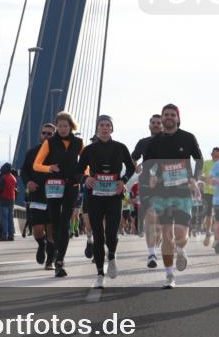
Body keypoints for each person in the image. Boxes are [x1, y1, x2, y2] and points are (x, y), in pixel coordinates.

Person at [142, 104, 203, 288]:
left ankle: (182, 249)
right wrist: (151, 176)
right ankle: (169, 275)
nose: (168, 117)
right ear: (162, 119)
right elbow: (147, 166)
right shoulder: (154, 142)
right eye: (165, 115)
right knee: (167, 235)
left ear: (177, 118)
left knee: (180, 235)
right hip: (161, 193)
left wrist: (194, 178)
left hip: (183, 192)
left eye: (172, 115)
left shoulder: (188, 137)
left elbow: (198, 160)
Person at [78, 115, 136, 288]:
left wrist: (123, 180)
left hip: (113, 197)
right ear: (97, 129)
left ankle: (111, 255)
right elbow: (77, 170)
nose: (104, 128)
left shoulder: (120, 147)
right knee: (98, 235)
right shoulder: (89, 150)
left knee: (111, 233)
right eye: (101, 125)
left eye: (107, 125)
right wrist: (85, 178)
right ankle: (99, 274)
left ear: (112, 129)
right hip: (94, 197)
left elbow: (131, 167)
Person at [33, 111, 84, 278]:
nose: (62, 129)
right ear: (57, 127)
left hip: (71, 185)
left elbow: (87, 163)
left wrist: (83, 174)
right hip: (54, 185)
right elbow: (36, 165)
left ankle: (60, 261)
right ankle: (55, 253)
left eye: (65, 126)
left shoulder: (78, 142)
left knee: (64, 223)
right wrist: (49, 168)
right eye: (60, 126)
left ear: (71, 126)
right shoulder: (49, 143)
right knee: (55, 223)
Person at [22, 123, 56, 268]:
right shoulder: (32, 152)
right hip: (37, 196)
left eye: (50, 134)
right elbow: (24, 171)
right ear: (40, 134)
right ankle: (41, 245)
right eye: (44, 133)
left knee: (51, 231)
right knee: (37, 230)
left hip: (54, 196)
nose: (46, 136)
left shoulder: (58, 153)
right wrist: (28, 182)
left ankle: (50, 261)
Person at [132, 114, 163, 268]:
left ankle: (155, 248)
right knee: (151, 217)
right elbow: (133, 158)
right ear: (149, 125)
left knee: (160, 225)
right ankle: (152, 253)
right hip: (146, 184)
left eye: (158, 123)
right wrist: (136, 165)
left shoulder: (169, 142)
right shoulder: (143, 142)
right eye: (153, 123)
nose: (156, 125)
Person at [201, 147, 219, 246]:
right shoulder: (207, 163)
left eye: (218, 156)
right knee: (208, 215)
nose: (216, 157)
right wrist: (207, 180)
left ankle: (217, 237)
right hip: (208, 192)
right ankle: (208, 232)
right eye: (214, 155)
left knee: (218, 216)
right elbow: (199, 175)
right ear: (212, 155)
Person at [0, 163, 17, 241]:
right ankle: (11, 235)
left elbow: (0, 189)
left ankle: (4, 235)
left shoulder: (4, 178)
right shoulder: (13, 178)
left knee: (4, 218)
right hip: (12, 199)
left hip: (4, 199)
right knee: (10, 218)